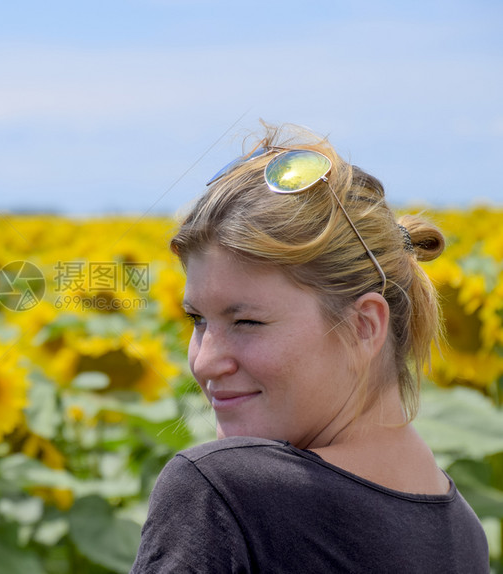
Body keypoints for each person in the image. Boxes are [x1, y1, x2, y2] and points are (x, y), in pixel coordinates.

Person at [131, 124, 490, 573]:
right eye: (198, 320)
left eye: (247, 322)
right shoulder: (464, 534)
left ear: (364, 325)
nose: (204, 361)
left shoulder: (224, 494)